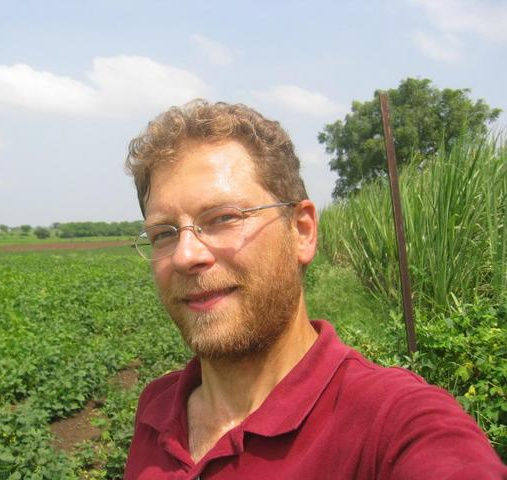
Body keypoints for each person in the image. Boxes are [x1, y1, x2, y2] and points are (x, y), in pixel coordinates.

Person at [123, 100, 506, 479]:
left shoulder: (393, 424)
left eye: (223, 218)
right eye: (163, 234)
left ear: (301, 232)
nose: (185, 255)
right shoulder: (157, 408)